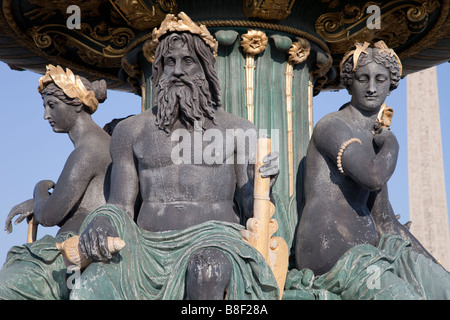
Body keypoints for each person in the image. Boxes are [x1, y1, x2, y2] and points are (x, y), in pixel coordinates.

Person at [70, 13, 280, 300]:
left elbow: (252, 210)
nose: (178, 70)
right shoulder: (131, 131)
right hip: (144, 249)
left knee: (206, 269)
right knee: (90, 286)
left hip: (215, 241)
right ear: (159, 71)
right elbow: (121, 205)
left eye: (188, 61)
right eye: (170, 62)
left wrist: (264, 183)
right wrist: (104, 221)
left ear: (206, 69)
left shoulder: (237, 130)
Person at [285, 41, 450, 300]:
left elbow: (385, 220)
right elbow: (373, 177)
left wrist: (436, 267)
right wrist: (392, 142)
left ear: (391, 84)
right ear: (350, 82)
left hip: (370, 252)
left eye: (380, 79)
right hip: (333, 255)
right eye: (363, 78)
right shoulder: (332, 126)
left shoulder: (373, 142)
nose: (372, 87)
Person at [0, 65, 111, 300]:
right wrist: (39, 201)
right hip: (77, 247)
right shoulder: (99, 142)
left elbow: (50, 216)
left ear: (76, 103)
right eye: (45, 107)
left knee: (6, 288)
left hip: (72, 251)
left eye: (52, 105)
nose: (46, 115)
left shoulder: (88, 149)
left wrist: (39, 188)